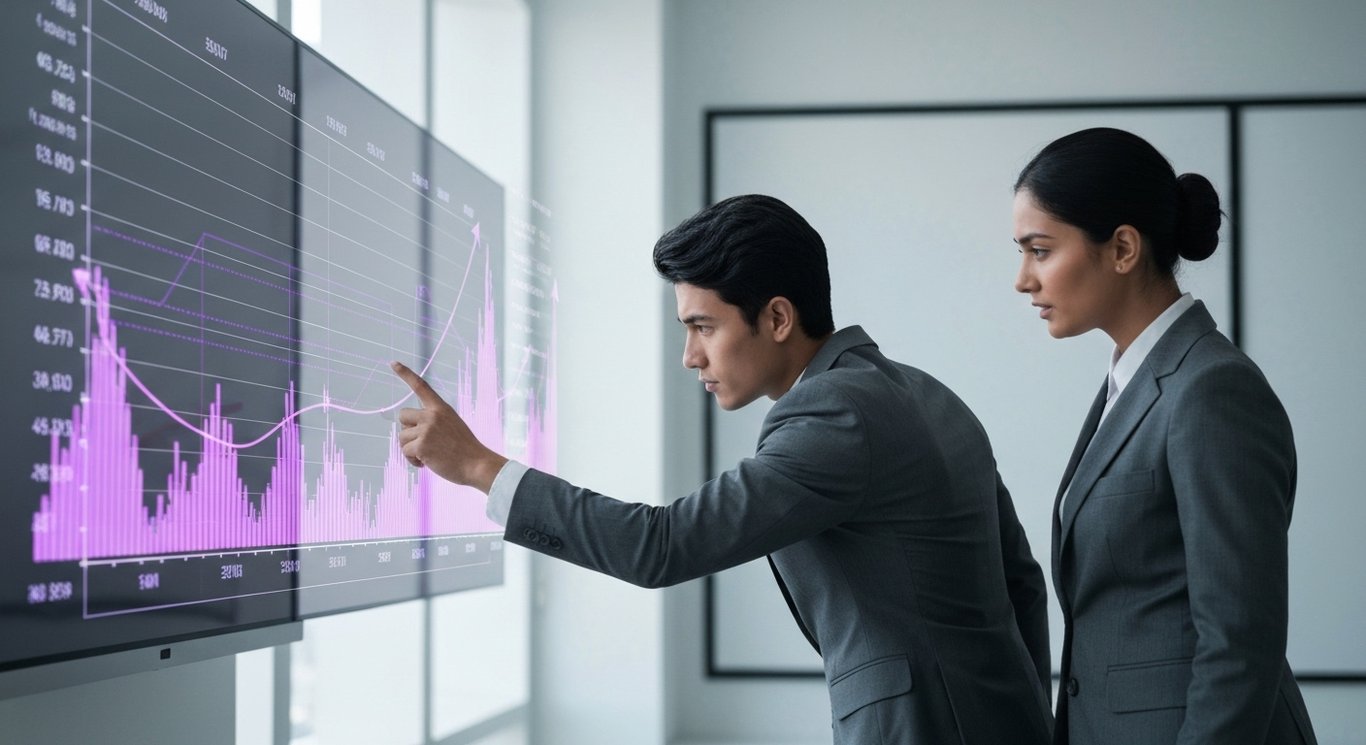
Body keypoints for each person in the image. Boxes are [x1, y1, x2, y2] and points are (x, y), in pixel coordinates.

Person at [393, 194, 1052, 744]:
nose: (690, 356)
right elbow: (1020, 579)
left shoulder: (834, 416)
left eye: (703, 326)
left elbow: (660, 545)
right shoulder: (925, 393)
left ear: (776, 317)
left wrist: (480, 466)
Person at [1011, 127, 1318, 745]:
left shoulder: (1211, 390)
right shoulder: (1135, 383)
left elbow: (1239, 639)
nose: (1023, 279)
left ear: (1123, 247)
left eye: (1040, 250)